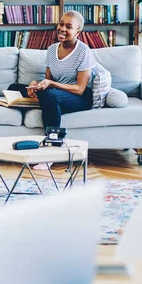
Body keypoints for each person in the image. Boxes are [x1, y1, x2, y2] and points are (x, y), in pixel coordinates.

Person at [27, 10, 110, 170]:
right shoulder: (52, 49)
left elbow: (79, 89)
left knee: (49, 95)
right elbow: (49, 79)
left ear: (78, 32)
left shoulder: (83, 51)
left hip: (80, 97)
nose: (62, 28)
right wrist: (36, 85)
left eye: (69, 26)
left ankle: (52, 152)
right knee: (16, 88)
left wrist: (50, 85)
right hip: (57, 95)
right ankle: (46, 105)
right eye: (61, 24)